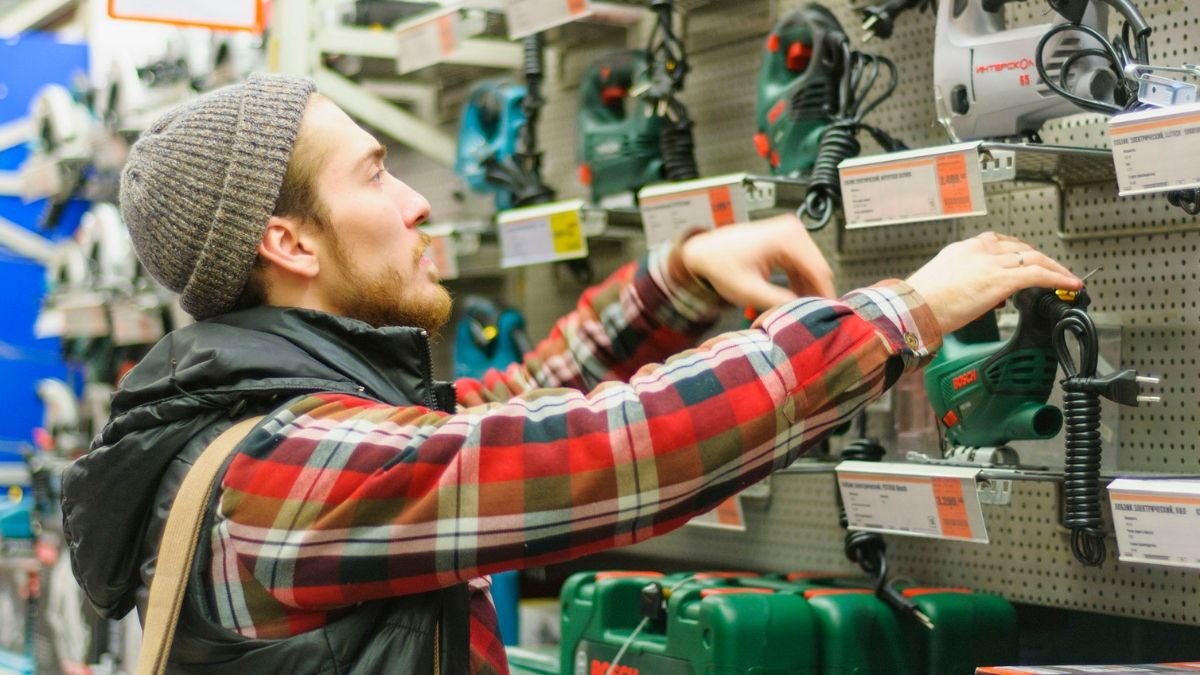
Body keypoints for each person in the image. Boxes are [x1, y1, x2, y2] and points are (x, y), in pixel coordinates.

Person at [60, 73, 1080, 674]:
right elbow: (601, 455)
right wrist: (899, 313)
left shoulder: (269, 432)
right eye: (375, 173)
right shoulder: (284, 480)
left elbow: (510, 409)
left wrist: (674, 281)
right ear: (286, 239)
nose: (417, 204)